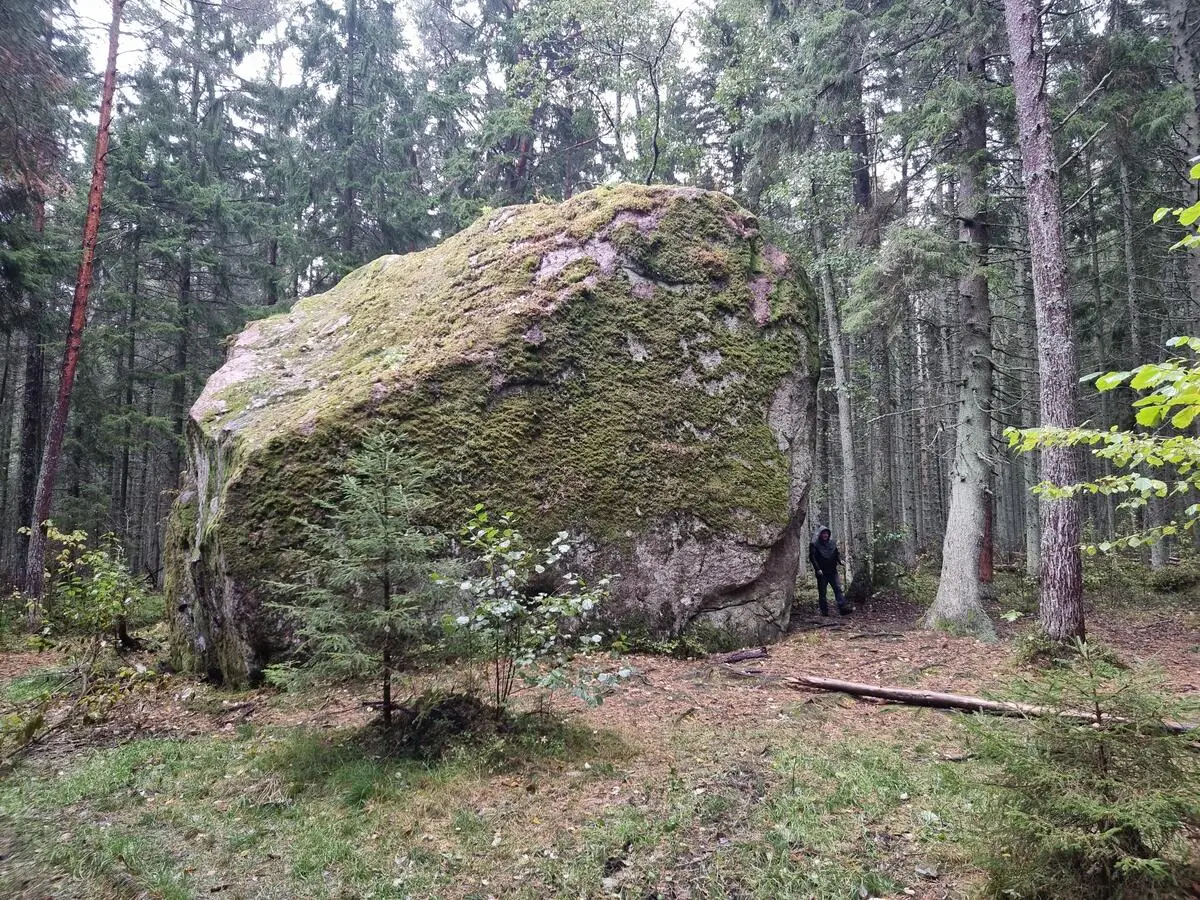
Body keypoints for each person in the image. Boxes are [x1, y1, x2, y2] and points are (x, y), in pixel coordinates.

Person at [808, 525, 850, 616]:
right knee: (823, 592)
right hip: (822, 573)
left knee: (838, 589)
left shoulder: (832, 543)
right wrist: (818, 569)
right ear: (820, 534)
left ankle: (842, 608)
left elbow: (836, 554)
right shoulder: (814, 544)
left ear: (829, 534)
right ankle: (824, 611)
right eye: (823, 533)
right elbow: (812, 557)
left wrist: (840, 561)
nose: (825, 535)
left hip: (833, 571)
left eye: (826, 533)